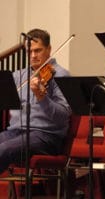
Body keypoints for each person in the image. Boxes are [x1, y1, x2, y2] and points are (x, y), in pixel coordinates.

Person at [0, 28, 72, 173]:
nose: (33, 56)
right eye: (29, 51)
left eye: (38, 50)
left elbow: (63, 115)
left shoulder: (60, 75)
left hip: (46, 136)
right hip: (16, 132)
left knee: (4, 149)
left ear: (49, 49)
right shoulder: (18, 76)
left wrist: (42, 98)